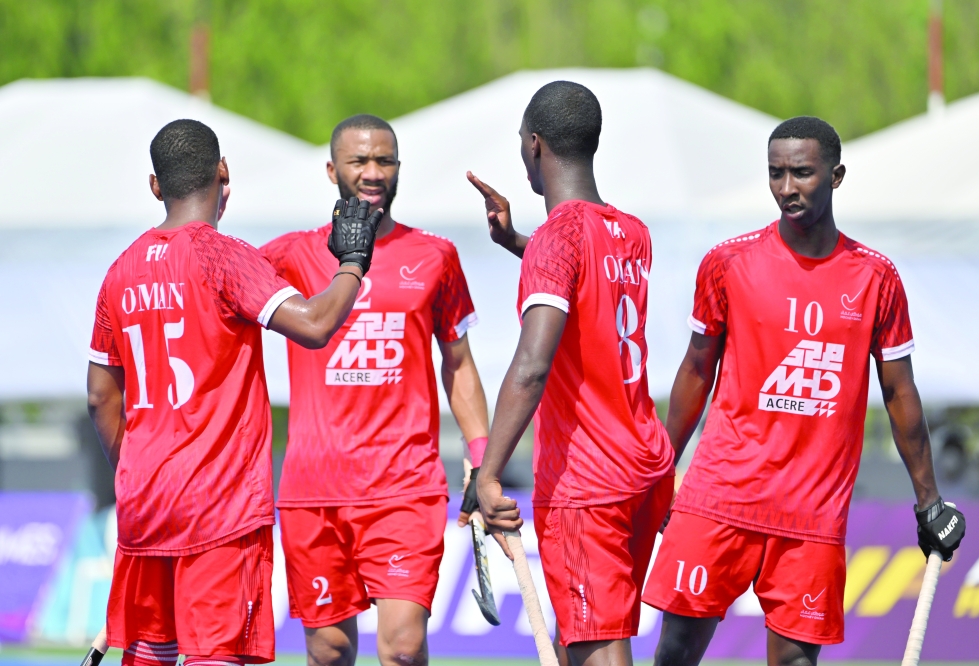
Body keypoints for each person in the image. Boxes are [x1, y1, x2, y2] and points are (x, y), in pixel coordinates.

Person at [642, 116, 967, 666]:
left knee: (795, 662)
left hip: (813, 513)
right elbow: (696, 370)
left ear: (836, 177)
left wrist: (928, 500)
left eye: (801, 173)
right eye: (776, 174)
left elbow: (899, 393)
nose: (786, 188)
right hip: (720, 495)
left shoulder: (876, 278)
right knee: (675, 652)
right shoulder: (727, 262)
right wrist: (659, 471)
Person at [86, 119, 381, 666]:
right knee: (216, 656)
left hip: (144, 503)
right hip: (217, 506)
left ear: (156, 185)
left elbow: (101, 398)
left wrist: (137, 474)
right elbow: (315, 325)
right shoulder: (223, 255)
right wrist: (352, 262)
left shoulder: (119, 271)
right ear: (223, 172)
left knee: (150, 654)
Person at [260, 114, 489, 666]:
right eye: (359, 160)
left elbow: (458, 363)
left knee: (404, 649)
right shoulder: (288, 255)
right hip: (314, 489)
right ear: (331, 170)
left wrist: (483, 458)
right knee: (329, 651)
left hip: (405, 485)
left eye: (384, 161)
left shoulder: (435, 255)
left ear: (398, 168)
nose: (373, 172)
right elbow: (217, 300)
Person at [467, 81, 675, 666]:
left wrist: (489, 473)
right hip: (644, 470)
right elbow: (584, 284)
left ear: (535, 144)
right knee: (578, 636)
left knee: (598, 646)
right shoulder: (632, 232)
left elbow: (532, 366)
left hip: (590, 482)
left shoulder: (557, 239)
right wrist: (517, 243)